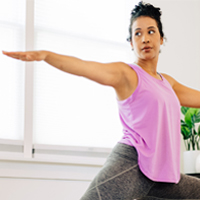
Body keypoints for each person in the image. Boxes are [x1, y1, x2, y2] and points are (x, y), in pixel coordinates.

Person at [3, 1, 200, 199]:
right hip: (131, 164)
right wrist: (46, 55)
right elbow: (83, 66)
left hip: (161, 174)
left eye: (151, 31)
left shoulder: (168, 84)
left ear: (161, 38)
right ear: (131, 42)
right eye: (137, 34)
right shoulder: (127, 74)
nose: (145, 39)